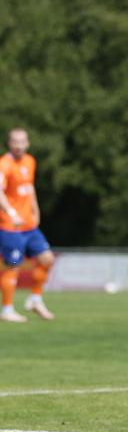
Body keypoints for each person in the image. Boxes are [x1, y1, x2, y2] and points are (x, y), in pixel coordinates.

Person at [0, 128, 55, 322]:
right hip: (10, 226)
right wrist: (11, 213)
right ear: (9, 144)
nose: (19, 145)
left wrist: (36, 210)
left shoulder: (30, 161)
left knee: (47, 259)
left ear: (28, 143)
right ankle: (6, 310)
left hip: (29, 226)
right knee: (13, 265)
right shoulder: (4, 164)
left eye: (22, 142)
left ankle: (35, 299)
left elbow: (29, 187)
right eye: (15, 142)